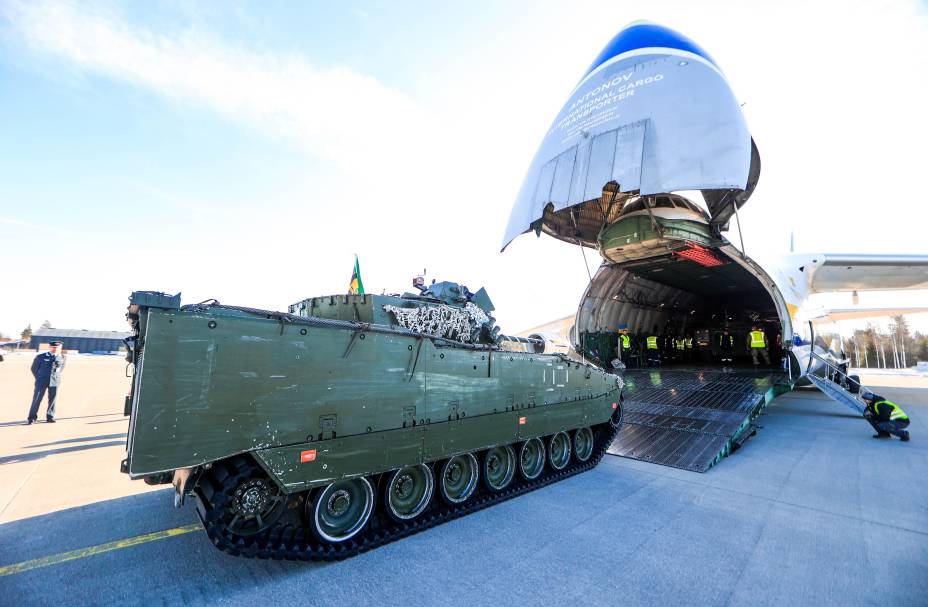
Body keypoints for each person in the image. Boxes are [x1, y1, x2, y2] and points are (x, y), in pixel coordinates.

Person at [27, 341, 67, 424]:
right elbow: (34, 369)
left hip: (54, 382)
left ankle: (50, 417)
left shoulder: (62, 357)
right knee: (37, 400)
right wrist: (39, 378)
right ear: (49, 347)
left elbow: (61, 369)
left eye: (57, 348)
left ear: (60, 348)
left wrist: (55, 377)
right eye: (53, 347)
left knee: (52, 400)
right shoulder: (41, 356)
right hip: (41, 381)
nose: (54, 349)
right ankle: (32, 418)